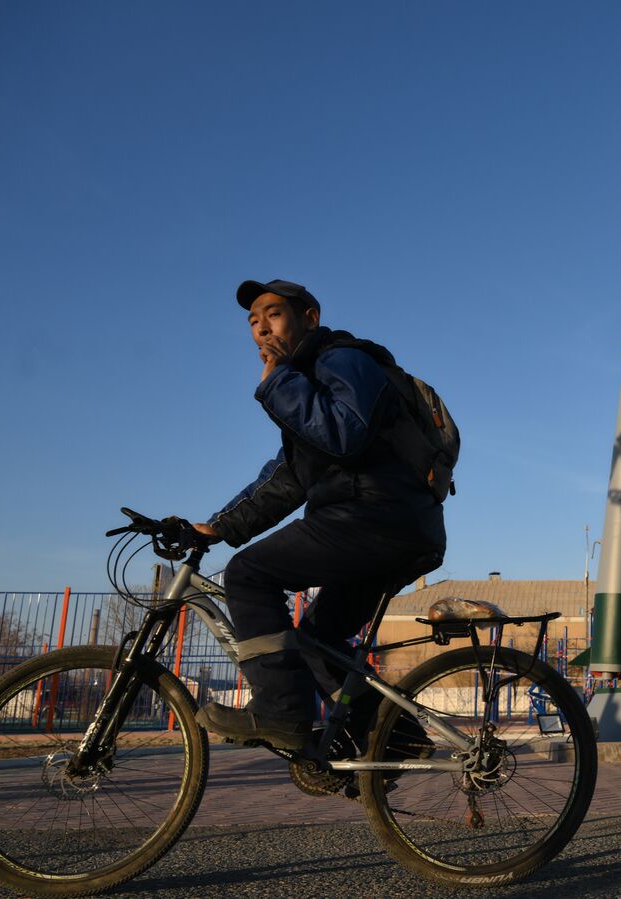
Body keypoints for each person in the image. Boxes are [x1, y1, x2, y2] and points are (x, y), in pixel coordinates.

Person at [191, 278, 446, 752]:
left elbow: (344, 432)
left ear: (310, 317)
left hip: (371, 517)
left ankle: (280, 713)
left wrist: (277, 383)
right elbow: (290, 475)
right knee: (316, 641)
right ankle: (399, 742)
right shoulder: (311, 379)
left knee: (247, 573)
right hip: (393, 525)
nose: (261, 328)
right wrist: (221, 525)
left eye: (273, 314)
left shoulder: (341, 359)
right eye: (252, 321)